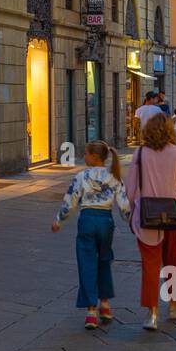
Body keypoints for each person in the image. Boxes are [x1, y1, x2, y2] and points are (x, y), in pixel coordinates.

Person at [53, 141, 131, 329]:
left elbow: (70, 201)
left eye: (86, 153)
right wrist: (130, 221)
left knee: (87, 263)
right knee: (104, 260)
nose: (84, 156)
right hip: (106, 222)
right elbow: (124, 204)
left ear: (94, 157)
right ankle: (104, 304)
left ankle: (91, 311)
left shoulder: (82, 176)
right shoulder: (114, 176)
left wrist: (59, 220)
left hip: (87, 220)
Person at [123, 113, 176, 331]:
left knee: (150, 265)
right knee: (171, 260)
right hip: (172, 211)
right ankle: (174, 304)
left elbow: (130, 189)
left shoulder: (140, 153)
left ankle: (151, 313)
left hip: (146, 214)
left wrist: (129, 214)